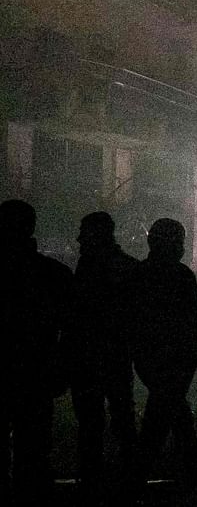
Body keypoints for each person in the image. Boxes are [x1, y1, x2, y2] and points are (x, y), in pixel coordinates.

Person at [127, 218, 197, 506]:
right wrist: (189, 360)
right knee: (173, 423)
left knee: (167, 422)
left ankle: (137, 485)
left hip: (155, 364)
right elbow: (188, 327)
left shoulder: (141, 275)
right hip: (173, 365)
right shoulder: (180, 276)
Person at [0, 200, 73, 507]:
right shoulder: (54, 274)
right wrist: (61, 370)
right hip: (37, 375)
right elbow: (70, 330)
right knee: (35, 452)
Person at [65, 212, 138, 505]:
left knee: (91, 422)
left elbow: (76, 317)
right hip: (115, 357)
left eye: (85, 232)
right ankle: (130, 478)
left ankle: (93, 480)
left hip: (90, 357)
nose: (80, 239)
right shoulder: (127, 267)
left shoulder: (89, 267)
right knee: (121, 418)